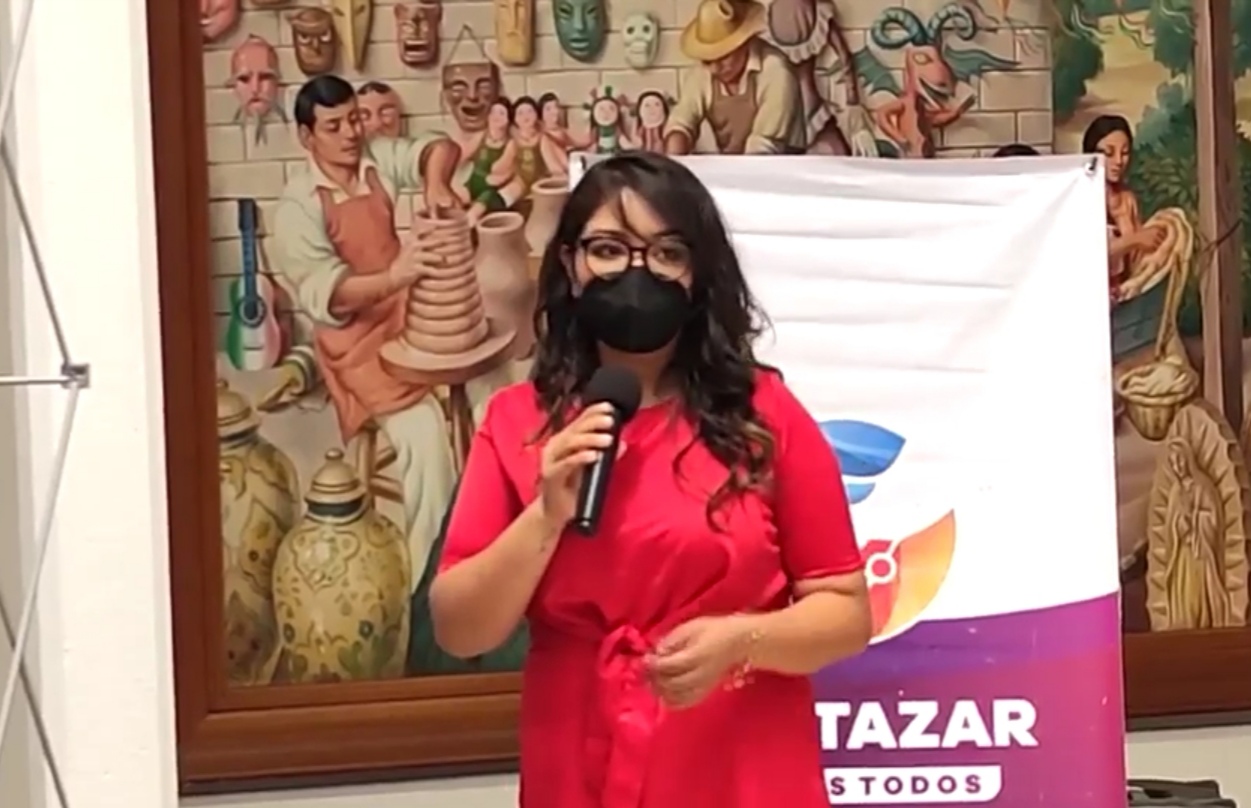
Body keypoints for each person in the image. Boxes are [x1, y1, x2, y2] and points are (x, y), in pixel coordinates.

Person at [429, 152, 871, 807]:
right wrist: (545, 516)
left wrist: (741, 640)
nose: (637, 272)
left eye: (666, 253)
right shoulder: (515, 421)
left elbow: (846, 612)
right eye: (609, 249)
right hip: (579, 755)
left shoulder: (764, 413)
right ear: (571, 265)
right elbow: (460, 630)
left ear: (697, 273)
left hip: (741, 761)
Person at [266, 74, 504, 587]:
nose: (351, 133)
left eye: (354, 119)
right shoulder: (298, 207)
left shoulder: (373, 160)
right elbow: (330, 295)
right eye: (334, 126)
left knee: (495, 397)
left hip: (409, 316)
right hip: (356, 346)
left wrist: (435, 181)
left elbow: (438, 147)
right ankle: (432, 582)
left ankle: (494, 546)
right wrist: (396, 276)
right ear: (307, 137)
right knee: (425, 441)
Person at [664, 0, 806, 155]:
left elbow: (763, 146)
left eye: (723, 57)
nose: (715, 69)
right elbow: (682, 121)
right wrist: (675, 153)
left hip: (782, 165)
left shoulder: (776, 71)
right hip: (736, 165)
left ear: (744, 43)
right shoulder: (703, 73)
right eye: (708, 60)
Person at [1082, 114, 1164, 300]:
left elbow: (1136, 257)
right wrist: (1134, 240)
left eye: (1124, 153)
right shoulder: (1084, 199)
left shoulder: (1127, 199)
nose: (1118, 161)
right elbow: (1087, 255)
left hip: (1124, 293)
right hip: (1093, 298)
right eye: (1109, 153)